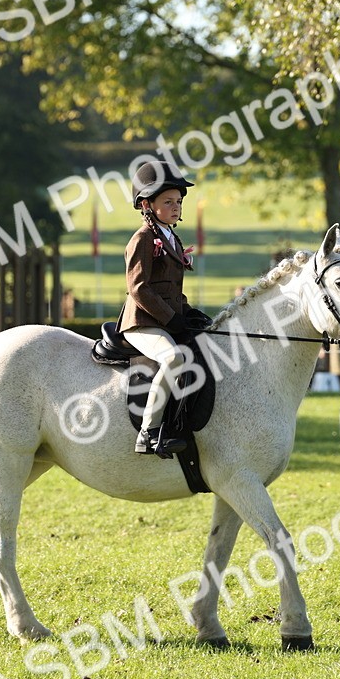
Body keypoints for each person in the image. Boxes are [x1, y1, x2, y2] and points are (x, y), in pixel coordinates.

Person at [120, 161, 210, 458]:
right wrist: (172, 319)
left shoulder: (171, 237)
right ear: (147, 204)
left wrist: (188, 314)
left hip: (166, 320)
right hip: (142, 322)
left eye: (179, 202)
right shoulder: (143, 239)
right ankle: (148, 432)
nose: (176, 207)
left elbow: (170, 289)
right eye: (168, 202)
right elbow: (139, 287)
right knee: (173, 357)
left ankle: (180, 424)